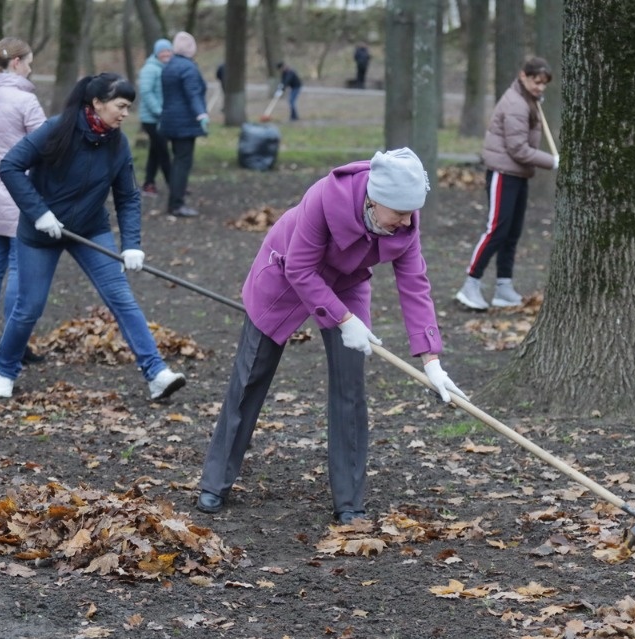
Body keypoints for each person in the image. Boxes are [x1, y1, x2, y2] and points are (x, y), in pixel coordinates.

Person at [196, 148, 467, 522]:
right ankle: (215, 483)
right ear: (374, 200)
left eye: (411, 214)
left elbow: (415, 287)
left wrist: (432, 361)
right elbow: (301, 270)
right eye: (400, 214)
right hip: (286, 271)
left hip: (347, 283)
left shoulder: (406, 221)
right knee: (251, 375)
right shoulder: (324, 197)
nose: (407, 222)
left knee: (350, 388)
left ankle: (350, 502)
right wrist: (343, 320)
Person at [0, 73, 187, 401]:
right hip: (40, 233)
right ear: (97, 103)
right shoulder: (57, 129)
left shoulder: (117, 143)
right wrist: (39, 212)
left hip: (90, 228)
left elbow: (128, 197)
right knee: (29, 308)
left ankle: (156, 374)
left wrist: (132, 244)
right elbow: (10, 166)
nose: (125, 114)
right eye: (120, 106)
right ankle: (5, 369)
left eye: (128, 107)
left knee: (121, 298)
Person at [455, 56, 558, 311]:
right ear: (523, 76)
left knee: (512, 233)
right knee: (496, 230)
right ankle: (470, 284)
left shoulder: (529, 101)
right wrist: (554, 161)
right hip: (503, 174)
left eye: (544, 83)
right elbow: (518, 149)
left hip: (519, 174)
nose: (540, 87)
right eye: (537, 81)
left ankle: (503, 287)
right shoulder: (516, 104)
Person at [0, 37, 47, 365]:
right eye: (28, 62)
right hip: (21, 197)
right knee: (19, 267)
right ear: (16, 63)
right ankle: (14, 343)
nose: (31, 69)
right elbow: (45, 148)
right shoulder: (25, 102)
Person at [159, 31, 208, 217]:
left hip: (169, 121)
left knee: (176, 161)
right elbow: (193, 93)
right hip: (184, 124)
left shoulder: (169, 65)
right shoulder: (188, 68)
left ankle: (174, 201)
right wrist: (201, 115)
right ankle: (177, 204)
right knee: (182, 162)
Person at [138, 38, 173, 197]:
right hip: (151, 119)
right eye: (162, 52)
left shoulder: (165, 67)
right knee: (163, 151)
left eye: (168, 51)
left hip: (161, 117)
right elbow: (146, 92)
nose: (165, 54)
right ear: (156, 53)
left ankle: (148, 183)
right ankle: (174, 184)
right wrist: (159, 111)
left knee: (156, 151)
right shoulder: (150, 69)